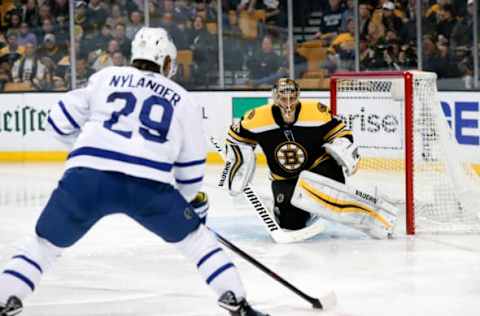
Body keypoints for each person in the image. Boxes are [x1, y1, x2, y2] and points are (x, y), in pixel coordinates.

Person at [0, 27, 267, 316]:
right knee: (197, 242)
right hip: (148, 187)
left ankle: (5, 299)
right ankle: (237, 303)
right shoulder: (183, 99)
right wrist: (189, 204)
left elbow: (56, 121)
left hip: (88, 178)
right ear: (166, 61)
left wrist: (91, 147)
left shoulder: (105, 77)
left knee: (44, 245)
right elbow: (190, 171)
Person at [223, 78, 398, 238]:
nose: (289, 104)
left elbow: (341, 131)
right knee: (291, 224)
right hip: (285, 178)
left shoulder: (315, 111)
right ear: (275, 99)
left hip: (318, 168)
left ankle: (373, 216)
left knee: (331, 199)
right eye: (284, 99)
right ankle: (294, 208)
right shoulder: (257, 118)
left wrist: (342, 145)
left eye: (292, 98)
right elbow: (235, 138)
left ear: (298, 96)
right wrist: (239, 161)